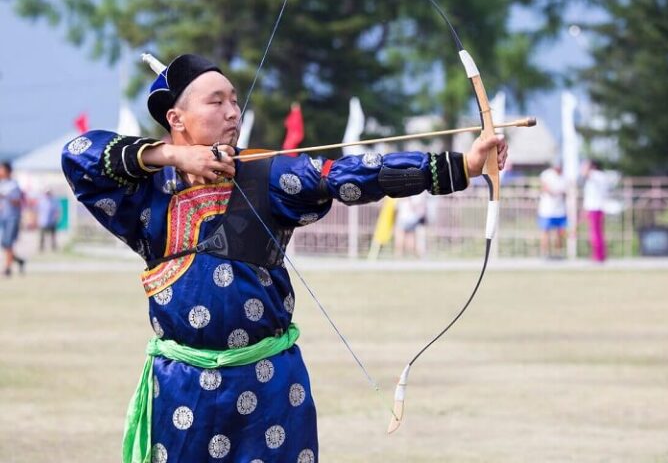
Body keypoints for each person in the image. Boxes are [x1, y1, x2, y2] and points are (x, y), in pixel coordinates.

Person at [61, 53, 508, 463]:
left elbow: (348, 175)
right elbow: (79, 155)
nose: (233, 112)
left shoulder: (267, 173)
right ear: (176, 118)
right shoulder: (147, 196)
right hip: (182, 389)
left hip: (270, 385)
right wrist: (171, 154)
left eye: (234, 101)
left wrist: (462, 165)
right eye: (216, 102)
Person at [581, 159, 609, 262]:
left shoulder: (596, 175)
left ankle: (598, 256)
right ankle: (598, 255)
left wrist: (586, 168)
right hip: (596, 207)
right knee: (597, 233)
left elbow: (584, 173)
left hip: (595, 208)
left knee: (595, 234)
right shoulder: (601, 176)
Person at [0, 161, 26, 277]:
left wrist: (6, 196)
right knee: (5, 244)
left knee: (8, 243)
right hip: (4, 216)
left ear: (7, 171)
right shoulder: (2, 183)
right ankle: (19, 261)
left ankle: (7, 269)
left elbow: (17, 202)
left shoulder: (13, 185)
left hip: (12, 217)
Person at [538, 161, 567, 258]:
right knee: (545, 232)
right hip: (547, 209)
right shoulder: (547, 174)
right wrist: (555, 192)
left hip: (560, 210)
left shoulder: (564, 176)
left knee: (559, 233)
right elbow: (544, 187)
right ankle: (544, 254)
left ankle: (558, 253)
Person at [394, 191, 428, 258]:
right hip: (406, 217)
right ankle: (401, 256)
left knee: (407, 239)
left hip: (410, 217)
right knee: (402, 238)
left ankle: (404, 255)